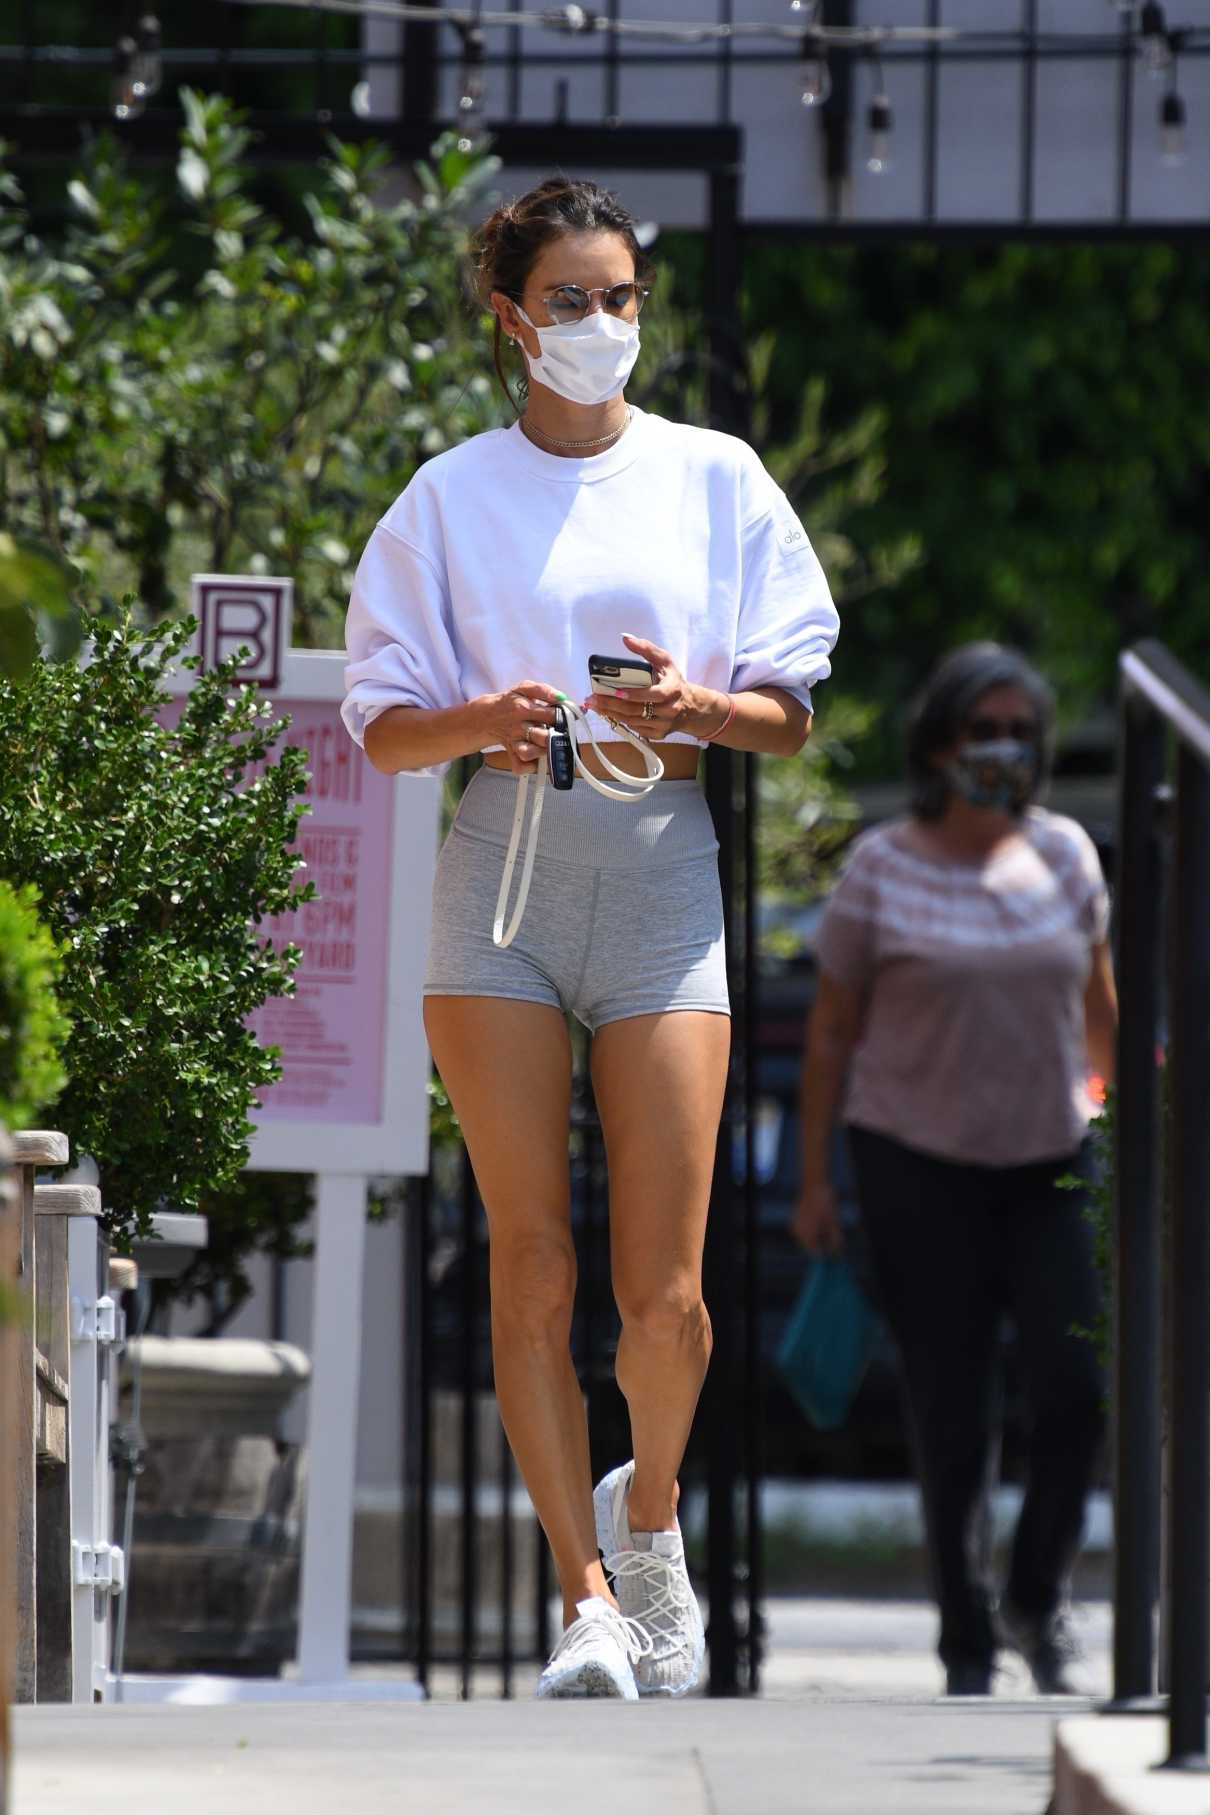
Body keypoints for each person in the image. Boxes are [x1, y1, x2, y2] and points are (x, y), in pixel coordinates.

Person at [341, 176, 840, 1699]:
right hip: (500, 866)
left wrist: (696, 706)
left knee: (667, 1292)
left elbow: (792, 712)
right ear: (511, 316)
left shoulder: (714, 475)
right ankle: (579, 1598)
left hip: (658, 861)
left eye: (621, 296)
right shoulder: (448, 494)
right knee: (530, 1265)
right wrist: (481, 717)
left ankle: (649, 1511)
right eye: (568, 299)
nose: (601, 325)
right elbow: (379, 729)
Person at [793, 642, 1117, 1697]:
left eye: (1021, 731)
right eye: (984, 730)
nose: (1004, 750)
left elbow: (1099, 1007)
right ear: (938, 744)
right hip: (913, 1163)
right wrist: (813, 1181)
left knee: (1076, 1395)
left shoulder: (1067, 854)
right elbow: (832, 1034)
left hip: (1047, 1161)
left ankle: (1033, 1596)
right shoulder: (883, 864)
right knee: (951, 1410)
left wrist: (1119, 1128)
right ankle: (966, 1639)